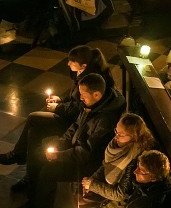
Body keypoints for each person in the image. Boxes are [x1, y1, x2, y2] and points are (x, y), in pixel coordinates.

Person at [0, 45, 115, 167]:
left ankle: (18, 154)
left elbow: (79, 108)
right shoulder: (81, 74)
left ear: (83, 66)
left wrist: (58, 107)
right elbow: (73, 97)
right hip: (70, 115)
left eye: (72, 61)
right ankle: (29, 172)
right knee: (34, 131)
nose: (68, 64)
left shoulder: (90, 82)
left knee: (33, 117)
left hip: (72, 121)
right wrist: (60, 100)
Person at [25, 73, 126, 207]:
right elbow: (76, 126)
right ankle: (32, 192)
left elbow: (86, 153)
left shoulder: (105, 120)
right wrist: (59, 144)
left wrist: (58, 156)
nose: (80, 97)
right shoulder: (93, 104)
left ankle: (39, 203)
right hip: (74, 150)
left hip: (85, 164)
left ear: (96, 94)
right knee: (37, 153)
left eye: (83, 94)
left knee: (48, 172)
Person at [81, 113, 156, 205]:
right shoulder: (117, 144)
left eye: (121, 134)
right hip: (106, 185)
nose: (116, 136)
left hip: (117, 199)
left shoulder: (135, 157)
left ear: (134, 136)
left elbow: (120, 194)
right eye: (116, 131)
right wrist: (91, 180)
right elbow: (106, 164)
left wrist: (92, 185)